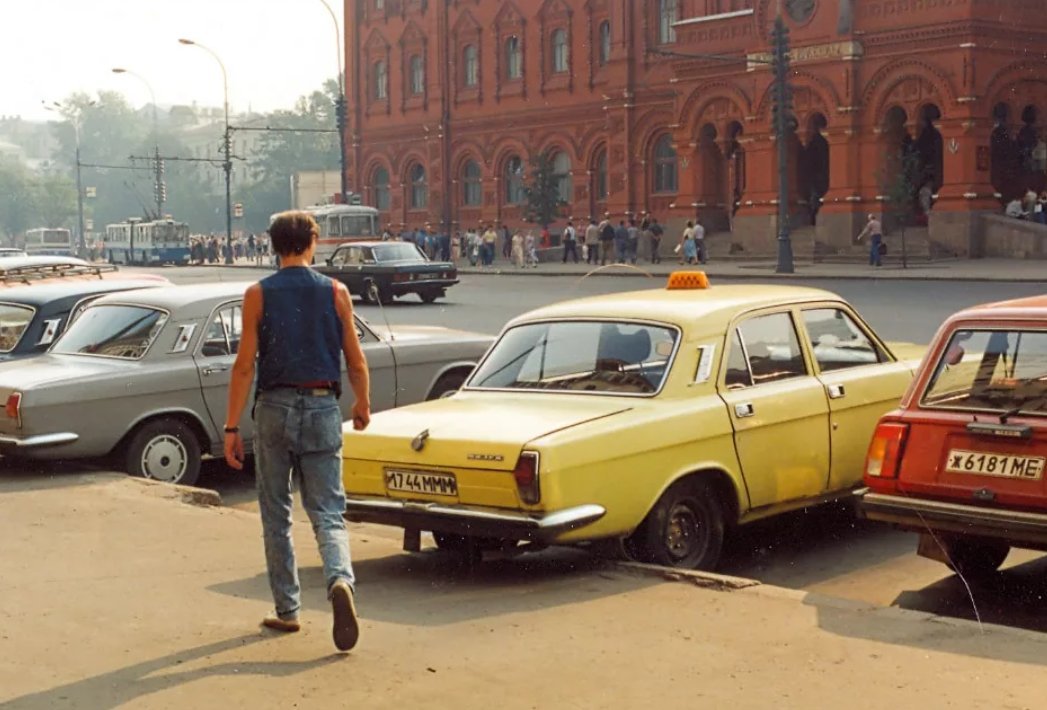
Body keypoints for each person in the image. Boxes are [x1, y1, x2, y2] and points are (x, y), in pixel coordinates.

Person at [223, 210, 370, 653]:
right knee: (327, 510)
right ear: (312, 242)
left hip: (274, 407)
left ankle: (287, 610)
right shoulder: (337, 291)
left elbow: (245, 364)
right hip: (324, 404)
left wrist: (231, 425)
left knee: (276, 511)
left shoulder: (256, 294)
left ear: (272, 245)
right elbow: (356, 358)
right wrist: (362, 403)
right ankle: (340, 579)